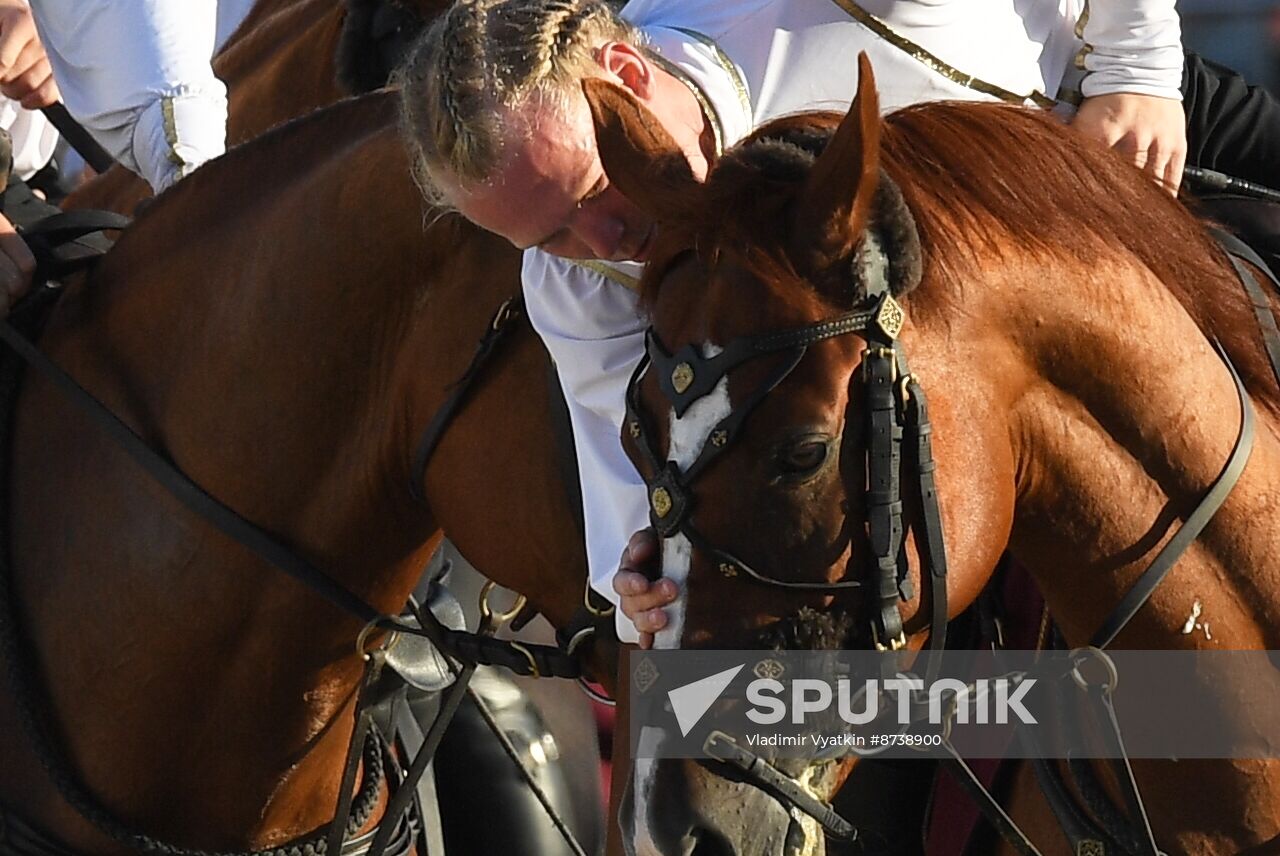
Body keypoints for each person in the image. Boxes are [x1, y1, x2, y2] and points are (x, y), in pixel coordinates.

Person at [396, 0, 1280, 648]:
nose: (606, 242)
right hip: (938, 421)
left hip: (1097, 130)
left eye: (594, 192)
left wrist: (1137, 67)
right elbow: (631, 518)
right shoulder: (572, 283)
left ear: (627, 77)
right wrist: (642, 580)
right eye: (548, 234)